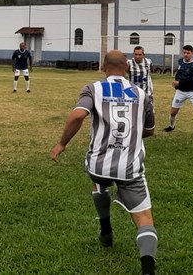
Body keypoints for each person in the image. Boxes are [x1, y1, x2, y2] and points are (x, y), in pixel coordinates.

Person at [50, 50, 157, 275]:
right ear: (127, 67)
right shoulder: (142, 94)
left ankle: (105, 228)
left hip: (98, 165)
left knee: (99, 183)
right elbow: (149, 131)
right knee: (144, 219)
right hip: (130, 169)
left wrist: (62, 144)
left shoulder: (93, 89)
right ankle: (148, 270)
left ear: (102, 67)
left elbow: (78, 115)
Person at [164, 44, 193, 136]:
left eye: (188, 53)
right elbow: (178, 73)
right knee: (172, 113)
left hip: (192, 92)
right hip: (180, 92)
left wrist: (179, 83)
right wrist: (177, 85)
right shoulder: (180, 61)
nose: (186, 54)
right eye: (184, 52)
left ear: (192, 53)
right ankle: (171, 126)